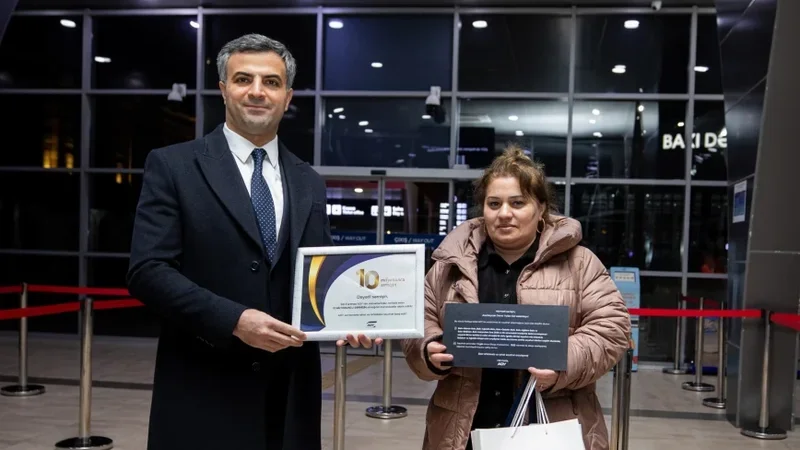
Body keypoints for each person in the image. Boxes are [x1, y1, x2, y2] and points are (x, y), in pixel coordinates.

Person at [127, 34, 379, 450]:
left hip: (290, 396)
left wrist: (355, 317)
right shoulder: (173, 166)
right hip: (203, 386)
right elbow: (147, 271)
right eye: (244, 79)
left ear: (287, 96)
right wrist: (235, 320)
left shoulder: (309, 181)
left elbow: (320, 275)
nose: (258, 91)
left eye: (272, 82)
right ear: (224, 89)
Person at [402, 145, 631, 450]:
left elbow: (612, 328)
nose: (504, 214)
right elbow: (419, 319)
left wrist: (561, 363)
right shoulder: (450, 264)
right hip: (460, 430)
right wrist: (428, 348)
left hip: (549, 425)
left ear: (541, 208)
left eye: (518, 202)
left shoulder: (580, 263)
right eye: (494, 203)